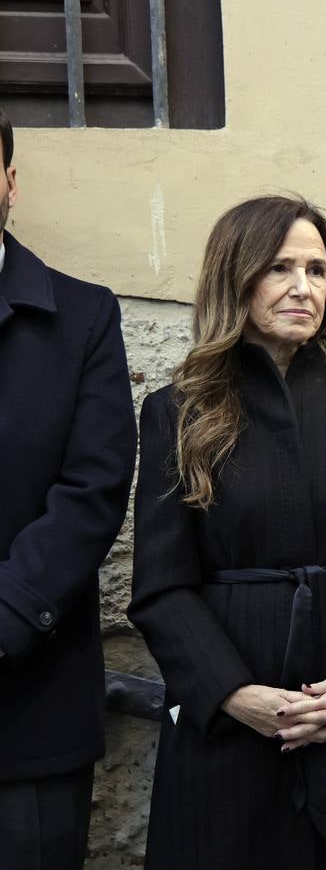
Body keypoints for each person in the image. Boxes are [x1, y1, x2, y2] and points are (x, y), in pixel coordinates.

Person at [128, 195, 326, 869]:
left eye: (318, 270)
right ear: (236, 278)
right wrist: (234, 695)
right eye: (280, 268)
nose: (304, 287)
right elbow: (161, 586)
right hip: (227, 722)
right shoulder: (177, 411)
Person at [0, 107, 137, 868]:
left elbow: (93, 489)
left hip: (28, 709)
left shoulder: (83, 316)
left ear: (10, 183)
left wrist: (6, 615)